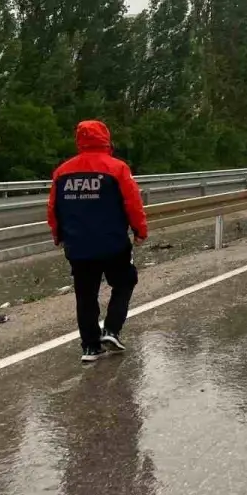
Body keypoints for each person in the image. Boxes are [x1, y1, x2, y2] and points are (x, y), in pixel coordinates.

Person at [48, 120, 148, 363]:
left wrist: (58, 235)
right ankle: (111, 330)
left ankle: (90, 347)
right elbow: (132, 203)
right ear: (106, 139)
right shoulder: (117, 168)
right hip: (113, 242)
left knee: (85, 295)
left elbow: (54, 208)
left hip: (78, 246)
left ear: (79, 140)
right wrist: (140, 231)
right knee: (125, 281)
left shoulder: (62, 171)